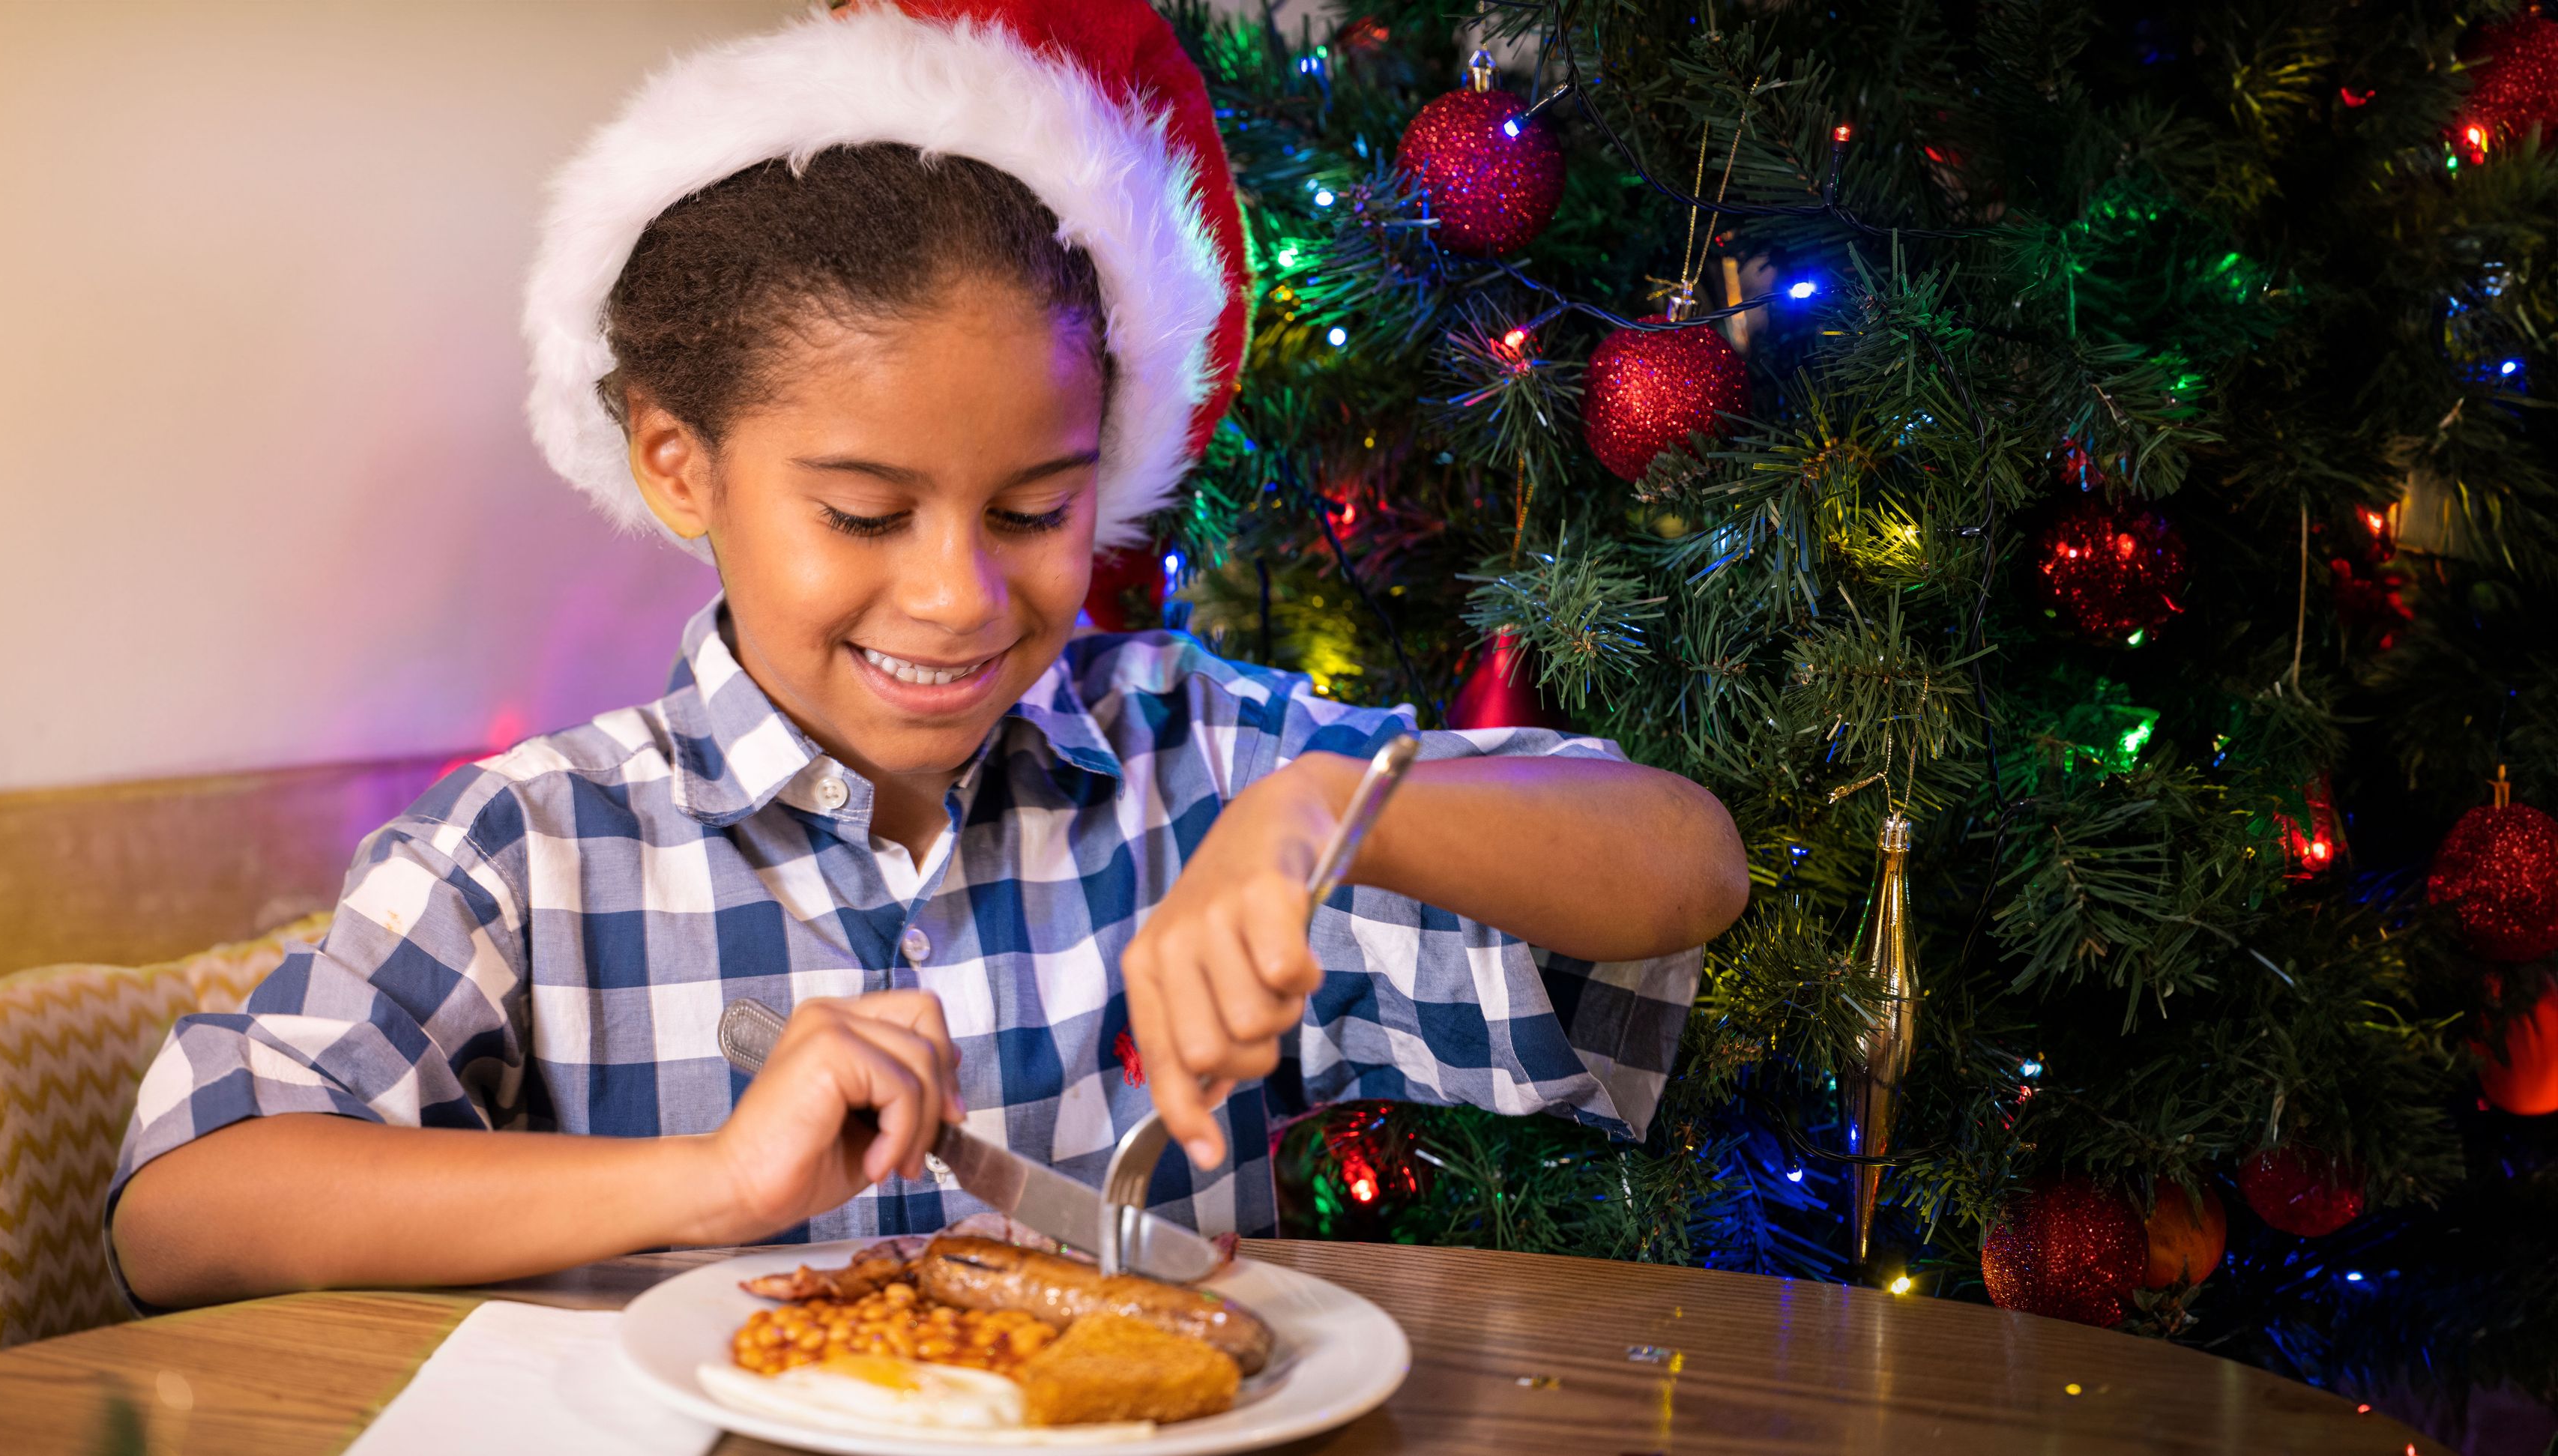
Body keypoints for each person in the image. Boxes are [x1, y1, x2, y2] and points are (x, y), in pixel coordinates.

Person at [106, 0, 1747, 1311]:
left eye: (1036, 506)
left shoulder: (1199, 764)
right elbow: (189, 1210)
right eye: (867, 512)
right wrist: (715, 1183)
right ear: (683, 467)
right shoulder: (534, 848)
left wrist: (1331, 810)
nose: (961, 597)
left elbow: (1685, 864)